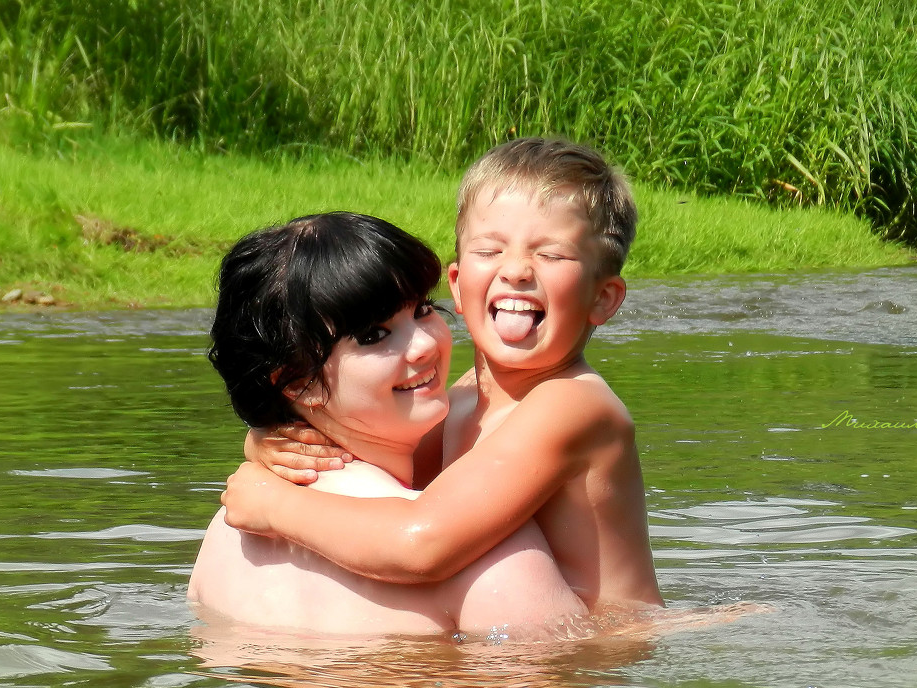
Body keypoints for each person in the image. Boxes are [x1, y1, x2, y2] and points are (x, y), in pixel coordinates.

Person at [222, 137, 664, 611]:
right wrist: (272, 437)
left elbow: (422, 546)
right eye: (490, 250)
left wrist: (275, 507)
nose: (515, 270)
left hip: (600, 653)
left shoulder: (573, 406)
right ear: (456, 284)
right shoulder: (464, 396)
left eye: (551, 255)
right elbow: (379, 457)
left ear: (603, 298)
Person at [188, 212, 587, 637]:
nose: (425, 345)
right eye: (374, 335)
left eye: (422, 309)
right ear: (299, 383)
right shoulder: (480, 553)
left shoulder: (227, 532)